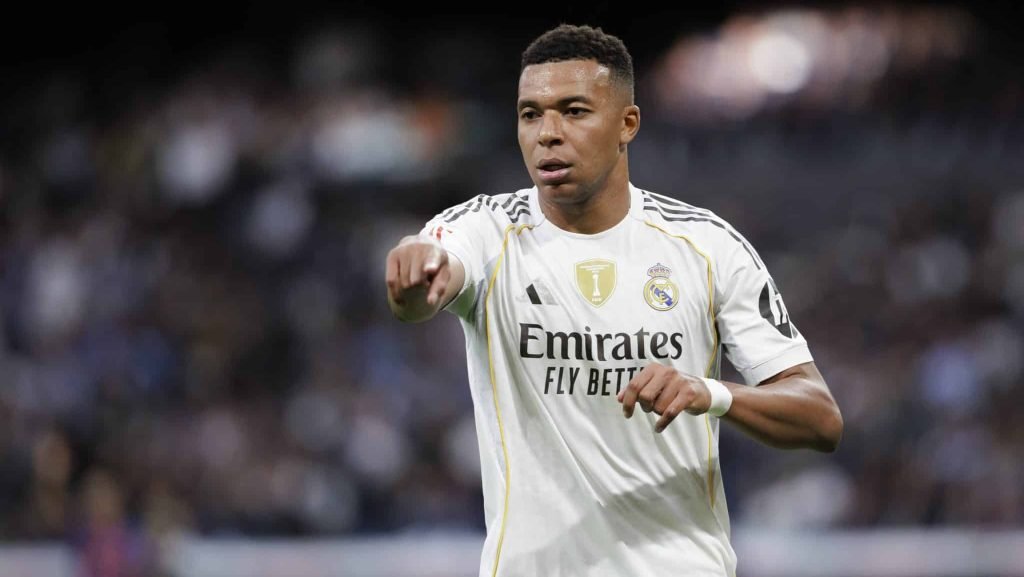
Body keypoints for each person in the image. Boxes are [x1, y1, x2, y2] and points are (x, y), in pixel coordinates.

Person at [385, 23, 843, 577]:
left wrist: (711, 392)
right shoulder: (485, 230)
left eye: (574, 111)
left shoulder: (707, 246)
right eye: (530, 114)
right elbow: (429, 282)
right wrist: (416, 276)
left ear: (628, 123)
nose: (547, 134)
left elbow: (819, 418)